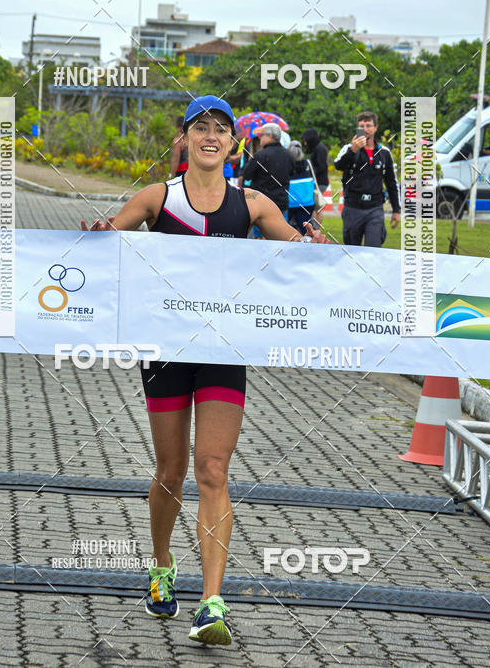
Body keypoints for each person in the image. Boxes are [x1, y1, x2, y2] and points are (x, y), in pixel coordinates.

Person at [81, 94, 327, 647]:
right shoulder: (157, 197)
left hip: (222, 351)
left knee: (212, 469)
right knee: (170, 472)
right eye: (200, 127)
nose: (210, 135)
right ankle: (162, 564)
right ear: (185, 138)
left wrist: (316, 246)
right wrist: (97, 235)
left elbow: (306, 259)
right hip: (166, 352)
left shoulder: (253, 204)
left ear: (233, 142)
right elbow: (106, 240)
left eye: (221, 128)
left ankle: (211, 603)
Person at [334, 110, 400, 247]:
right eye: (361, 126)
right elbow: (338, 165)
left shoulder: (384, 153)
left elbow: (391, 183)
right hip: (353, 207)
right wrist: (353, 150)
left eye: (369, 126)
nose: (365, 129)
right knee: (352, 251)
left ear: (375, 128)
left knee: (374, 249)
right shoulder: (349, 148)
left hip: (374, 208)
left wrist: (396, 210)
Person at [242, 123, 295, 218]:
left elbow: (247, 175)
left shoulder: (260, 155)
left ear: (270, 136)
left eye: (262, 135)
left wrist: (250, 162)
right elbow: (291, 174)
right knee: (281, 228)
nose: (259, 138)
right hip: (281, 202)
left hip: (262, 204)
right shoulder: (289, 155)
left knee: (260, 228)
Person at [301, 128, 329, 227]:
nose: (305, 143)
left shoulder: (319, 149)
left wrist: (310, 171)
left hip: (319, 182)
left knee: (315, 206)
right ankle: (315, 227)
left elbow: (321, 166)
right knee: (316, 207)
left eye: (305, 141)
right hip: (319, 181)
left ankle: (315, 228)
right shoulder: (318, 148)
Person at [287, 140, 314, 235]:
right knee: (306, 229)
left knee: (286, 230)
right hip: (307, 201)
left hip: (291, 202)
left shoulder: (286, 164)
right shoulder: (308, 163)